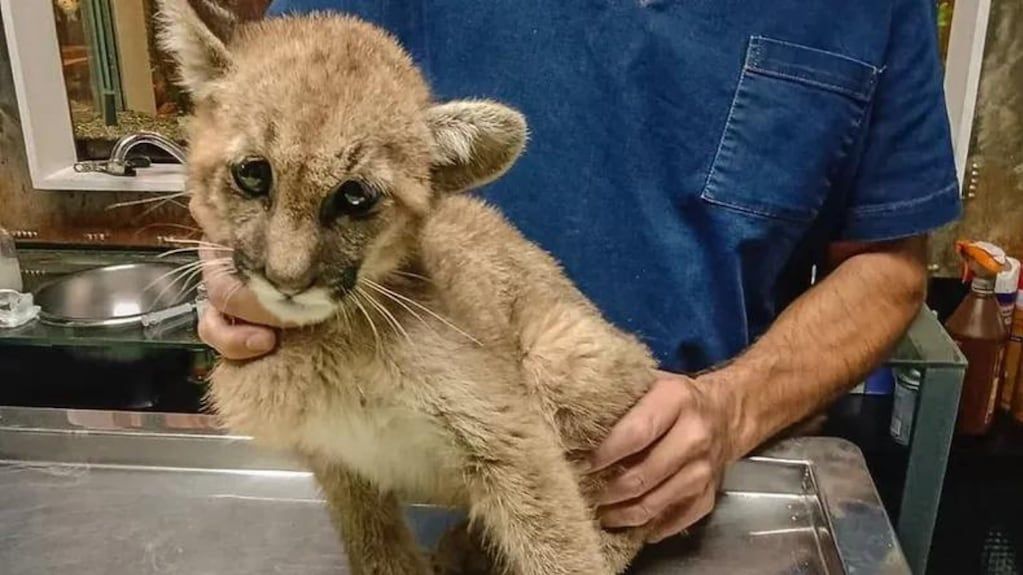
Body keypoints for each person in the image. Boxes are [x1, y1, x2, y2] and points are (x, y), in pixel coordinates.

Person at [193, 0, 961, 543]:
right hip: (408, 461)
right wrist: (238, 272)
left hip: (682, 490)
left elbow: (887, 269)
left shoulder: (874, 7)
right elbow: (264, 113)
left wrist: (731, 410)